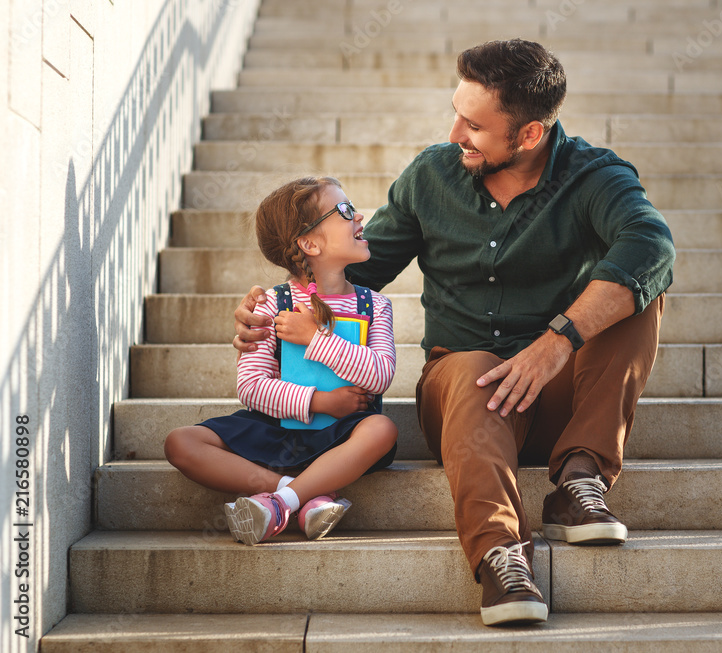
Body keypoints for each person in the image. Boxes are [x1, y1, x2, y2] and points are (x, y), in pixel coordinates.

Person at [233, 39, 674, 625]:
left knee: (639, 290)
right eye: (456, 113)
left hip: (561, 396)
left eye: (474, 125)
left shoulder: (593, 176)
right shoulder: (433, 176)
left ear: (529, 135)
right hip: (465, 395)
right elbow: (352, 268)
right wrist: (273, 307)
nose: (454, 134)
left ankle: (579, 482)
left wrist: (556, 342)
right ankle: (501, 556)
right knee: (467, 365)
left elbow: (652, 244)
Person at [166, 176, 398, 546]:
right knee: (181, 442)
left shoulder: (375, 305)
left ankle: (277, 504)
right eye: (345, 211)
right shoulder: (272, 304)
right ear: (309, 243)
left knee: (382, 430)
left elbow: (380, 375)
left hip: (341, 435)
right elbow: (252, 388)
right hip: (277, 431)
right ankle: (300, 494)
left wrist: (314, 339)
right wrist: (319, 401)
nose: (360, 218)